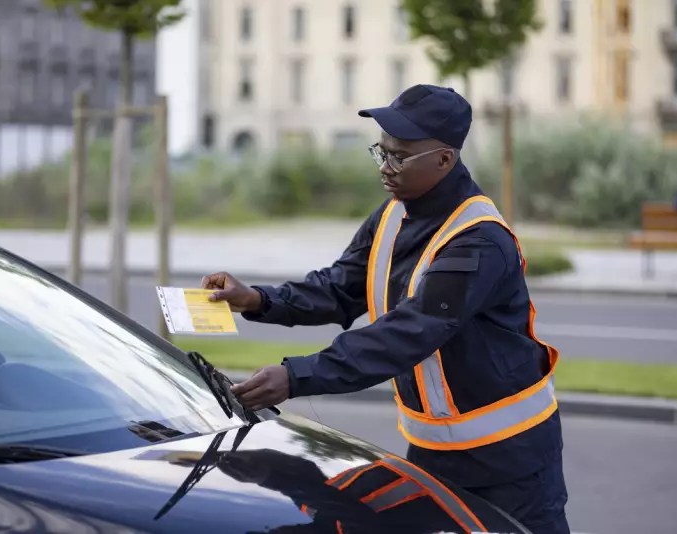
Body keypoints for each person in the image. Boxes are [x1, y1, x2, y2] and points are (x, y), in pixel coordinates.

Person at [201, 84, 569, 533]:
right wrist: (259, 299)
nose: (385, 167)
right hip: (432, 452)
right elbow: (339, 287)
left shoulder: (478, 240)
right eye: (381, 151)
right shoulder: (393, 214)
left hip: (512, 460)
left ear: (444, 160)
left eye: (399, 156)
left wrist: (296, 376)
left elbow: (409, 332)